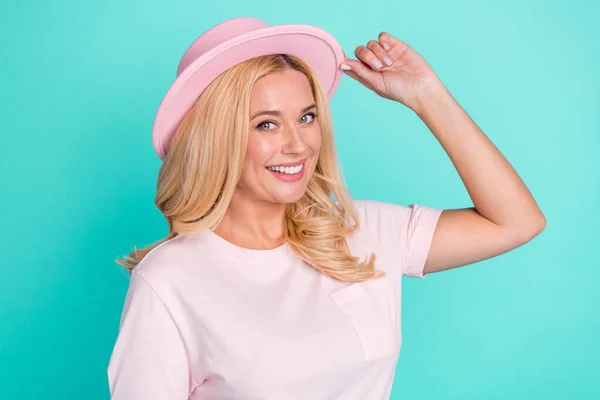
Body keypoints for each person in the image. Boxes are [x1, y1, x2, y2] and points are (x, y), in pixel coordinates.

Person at [107, 16, 545, 400]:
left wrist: (427, 95)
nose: (298, 144)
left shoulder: (365, 230)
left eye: (307, 117)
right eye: (266, 123)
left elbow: (516, 221)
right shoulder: (170, 281)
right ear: (215, 138)